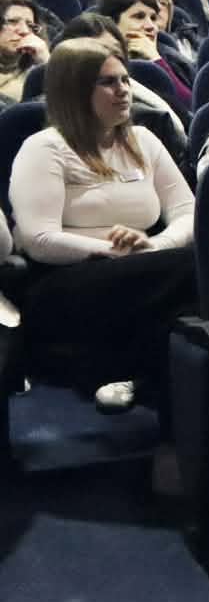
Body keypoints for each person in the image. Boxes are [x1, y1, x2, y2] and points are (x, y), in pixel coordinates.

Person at [10, 40, 194, 415]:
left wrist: (154, 246)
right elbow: (37, 239)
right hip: (63, 281)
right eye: (108, 82)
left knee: (194, 283)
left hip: (144, 269)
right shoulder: (44, 148)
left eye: (125, 79)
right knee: (195, 267)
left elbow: (187, 210)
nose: (123, 90)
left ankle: (136, 378)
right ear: (75, 90)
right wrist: (112, 250)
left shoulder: (143, 140)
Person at [96, 0, 192, 113]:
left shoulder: (173, 59)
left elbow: (190, 108)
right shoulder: (95, 61)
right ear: (111, 23)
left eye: (153, 18)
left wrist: (156, 60)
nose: (151, 26)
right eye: (139, 17)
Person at [0, 0, 51, 105]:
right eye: (13, 21)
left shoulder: (35, 75)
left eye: (30, 25)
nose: (24, 31)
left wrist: (46, 61)